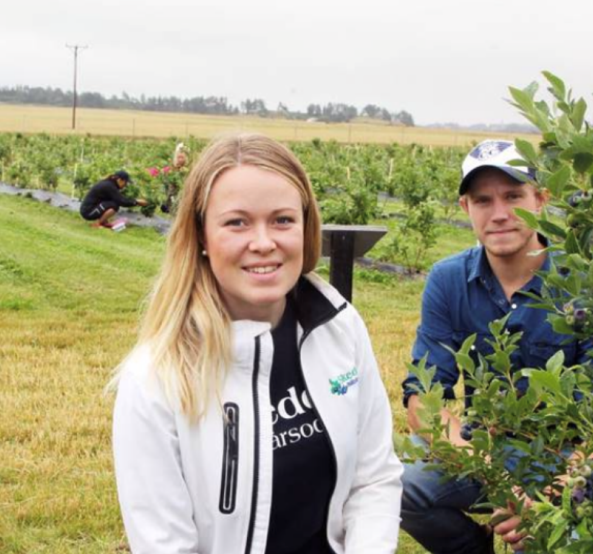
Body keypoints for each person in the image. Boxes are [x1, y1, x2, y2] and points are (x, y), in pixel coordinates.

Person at [112, 133, 403, 554]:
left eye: (283, 220)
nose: (264, 242)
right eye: (237, 222)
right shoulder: (157, 378)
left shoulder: (340, 329)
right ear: (201, 237)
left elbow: (373, 477)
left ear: (307, 228)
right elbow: (165, 545)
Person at [400, 140, 593, 553]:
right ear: (465, 208)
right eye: (483, 200)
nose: (500, 214)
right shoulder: (448, 280)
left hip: (568, 458)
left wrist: (553, 497)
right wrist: (502, 486)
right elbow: (423, 400)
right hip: (483, 450)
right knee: (400, 483)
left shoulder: (584, 282)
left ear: (541, 199)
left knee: (573, 536)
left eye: (513, 196)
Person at [79, 170, 148, 228]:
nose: (126, 185)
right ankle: (98, 224)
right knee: (115, 205)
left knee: (112, 202)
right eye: (125, 182)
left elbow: (119, 199)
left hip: (90, 209)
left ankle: (103, 223)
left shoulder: (109, 184)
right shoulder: (109, 186)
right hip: (88, 212)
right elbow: (122, 202)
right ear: (120, 180)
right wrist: (137, 202)